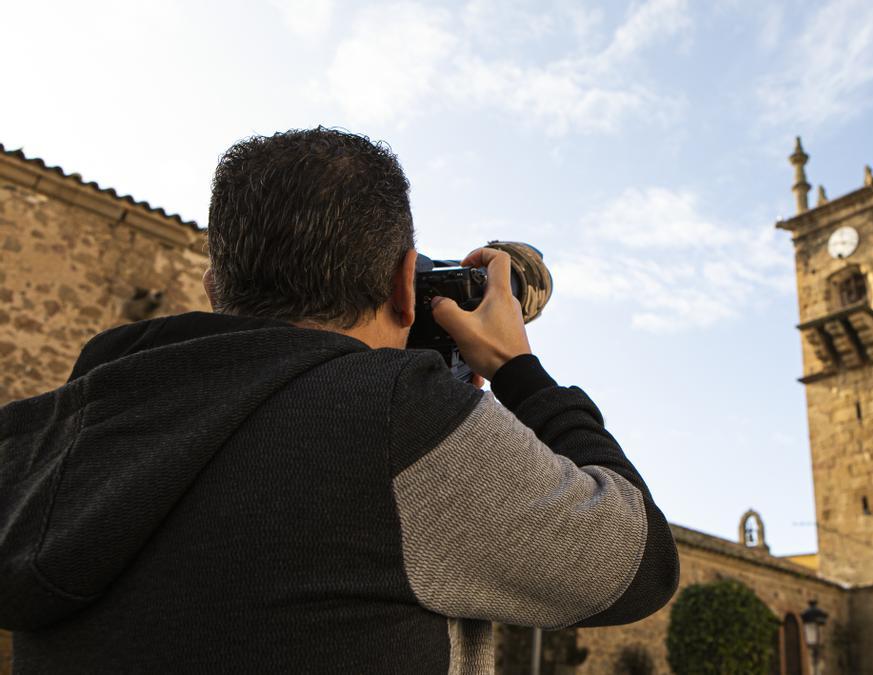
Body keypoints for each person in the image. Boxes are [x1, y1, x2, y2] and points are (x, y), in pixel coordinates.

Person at [0, 127, 679, 674]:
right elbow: (640, 564)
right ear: (404, 289)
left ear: (215, 287)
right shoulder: (398, 424)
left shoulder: (57, 431)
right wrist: (515, 368)